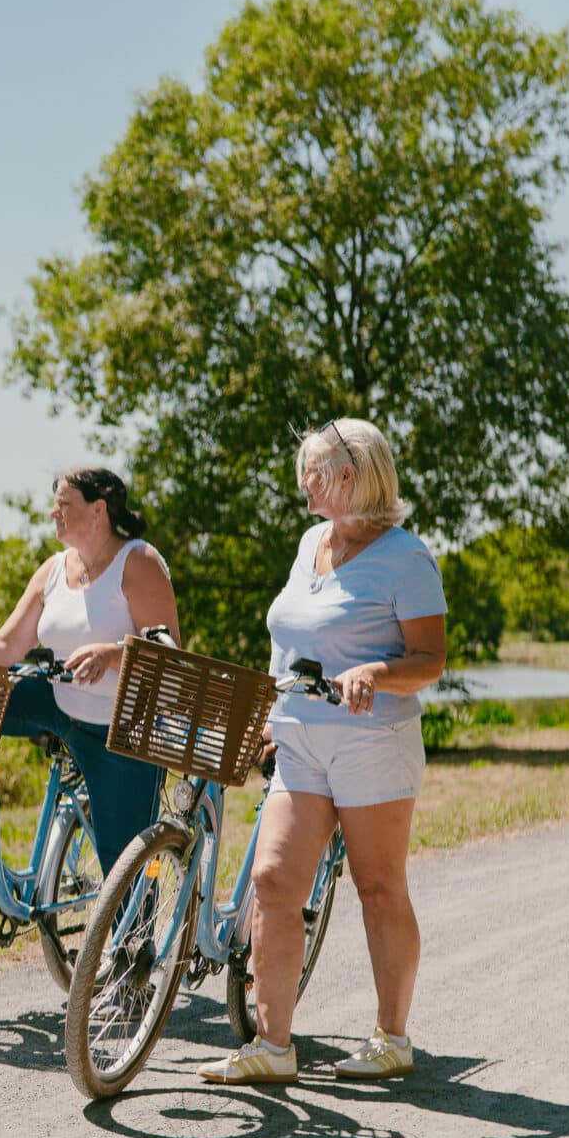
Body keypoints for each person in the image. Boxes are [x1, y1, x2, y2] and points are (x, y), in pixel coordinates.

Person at [198, 418, 446, 1085]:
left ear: (351, 475)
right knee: (274, 880)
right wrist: (268, 716)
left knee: (378, 886)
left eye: (313, 469)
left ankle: (392, 1036)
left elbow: (430, 660)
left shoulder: (406, 557)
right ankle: (272, 1044)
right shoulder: (310, 542)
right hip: (301, 740)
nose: (302, 481)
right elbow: (288, 644)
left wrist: (376, 672)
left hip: (373, 743)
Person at [0, 467, 179, 871]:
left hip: (121, 731)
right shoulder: (53, 571)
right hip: (58, 704)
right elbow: (5, 646)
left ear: (98, 509)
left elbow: (168, 657)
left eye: (64, 504)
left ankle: (137, 935)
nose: (53, 513)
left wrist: (111, 655)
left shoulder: (138, 562)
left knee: (125, 875)